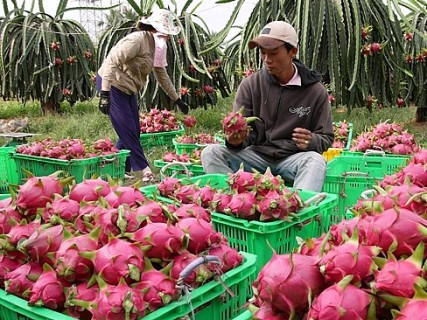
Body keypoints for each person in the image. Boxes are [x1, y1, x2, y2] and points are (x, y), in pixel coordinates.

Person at [201, 21, 334, 192]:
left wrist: (312, 141)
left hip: (292, 160)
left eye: (274, 53)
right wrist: (235, 140)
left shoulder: (315, 91)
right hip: (256, 157)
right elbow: (243, 133)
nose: (267, 59)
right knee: (211, 153)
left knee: (315, 161)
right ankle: (234, 203)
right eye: (263, 53)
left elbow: (326, 137)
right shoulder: (251, 85)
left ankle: (301, 213)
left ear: (293, 51)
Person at [96, 9, 189, 181]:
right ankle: (145, 171)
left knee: (133, 131)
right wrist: (104, 94)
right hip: (112, 85)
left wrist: (177, 99)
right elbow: (111, 61)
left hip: (128, 90)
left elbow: (162, 75)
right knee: (128, 131)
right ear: (154, 29)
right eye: (165, 33)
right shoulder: (136, 40)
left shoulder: (157, 47)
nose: (167, 38)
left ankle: (118, 168)